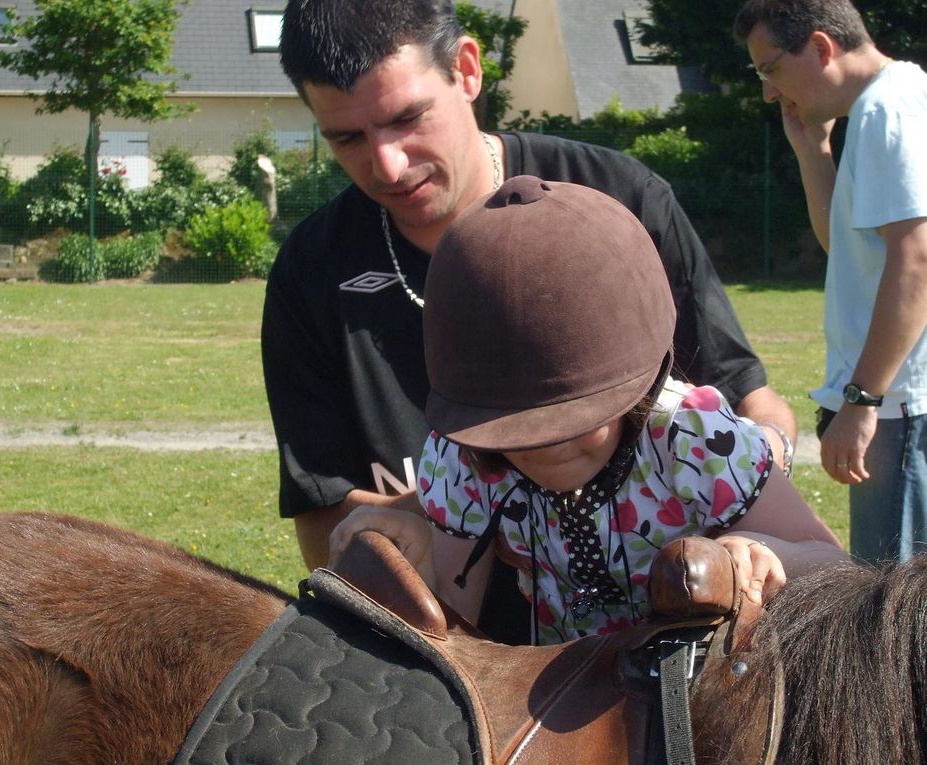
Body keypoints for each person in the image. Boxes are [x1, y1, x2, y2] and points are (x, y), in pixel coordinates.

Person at [264, 0, 798, 594]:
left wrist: (748, 508)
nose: (387, 164)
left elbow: (756, 411)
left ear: (467, 69)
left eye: (408, 118)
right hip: (457, 641)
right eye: (347, 138)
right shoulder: (312, 272)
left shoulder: (619, 203)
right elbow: (323, 514)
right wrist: (461, 513)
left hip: (672, 626)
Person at [329, 176, 846, 644]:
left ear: (643, 374)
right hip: (567, 697)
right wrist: (414, 573)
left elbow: (839, 571)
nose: (546, 444)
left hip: (709, 691)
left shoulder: (695, 439)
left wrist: (764, 553)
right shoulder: (464, 458)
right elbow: (454, 632)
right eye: (512, 426)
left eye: (573, 415)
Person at [734, 0, 927, 564]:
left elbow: (915, 259)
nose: (769, 92)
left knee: (894, 610)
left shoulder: (887, 110)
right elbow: (844, 247)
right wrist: (813, 151)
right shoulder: (886, 104)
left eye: (769, 69)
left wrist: (863, 401)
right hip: (896, 403)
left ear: (821, 47)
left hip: (901, 407)